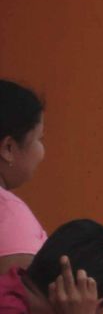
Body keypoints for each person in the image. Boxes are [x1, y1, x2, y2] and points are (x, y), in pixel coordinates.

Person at [0, 81, 48, 268]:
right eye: (39, 139)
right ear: (8, 148)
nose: (42, 152)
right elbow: (18, 296)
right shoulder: (9, 217)